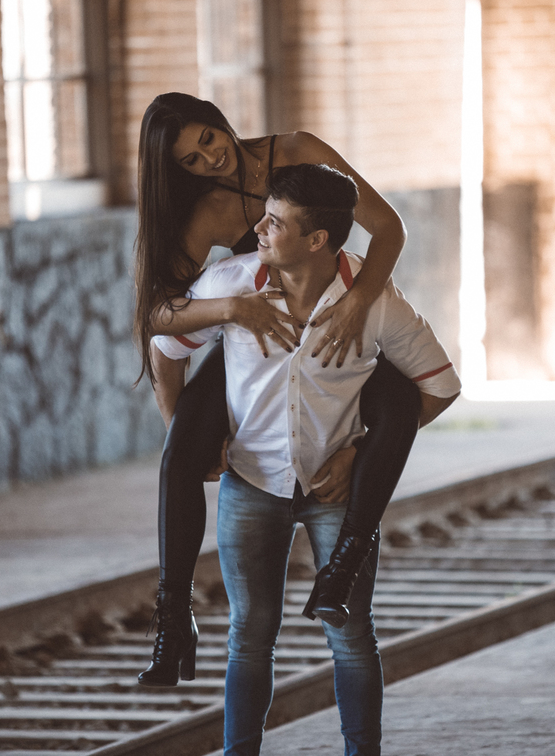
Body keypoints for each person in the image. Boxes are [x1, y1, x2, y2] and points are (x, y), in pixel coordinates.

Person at [152, 163, 460, 755]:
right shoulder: (232, 283)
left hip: (334, 493)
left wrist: (361, 454)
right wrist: (184, 436)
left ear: (317, 240)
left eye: (275, 222)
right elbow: (164, 342)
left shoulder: (373, 301)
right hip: (251, 482)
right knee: (250, 634)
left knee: (351, 635)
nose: (259, 230)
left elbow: (438, 387)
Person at [134, 93, 424, 686]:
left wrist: (359, 303)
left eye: (208, 140)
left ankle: (345, 563)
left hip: (339, 325)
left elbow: (388, 227)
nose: (208, 160)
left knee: (399, 401)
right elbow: (159, 317)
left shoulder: (294, 152)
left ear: (220, 121)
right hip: (260, 346)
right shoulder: (205, 214)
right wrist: (232, 314)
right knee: (179, 452)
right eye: (189, 160)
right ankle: (173, 616)